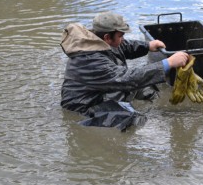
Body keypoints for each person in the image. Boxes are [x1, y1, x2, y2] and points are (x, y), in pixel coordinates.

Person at [60, 11, 188, 129]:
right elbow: (127, 79)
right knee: (132, 118)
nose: (122, 39)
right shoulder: (90, 60)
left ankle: (156, 108)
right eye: (120, 36)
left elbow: (123, 46)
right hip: (84, 108)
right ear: (107, 37)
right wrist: (168, 63)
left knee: (147, 87)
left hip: (99, 92)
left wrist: (148, 46)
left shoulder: (98, 40)